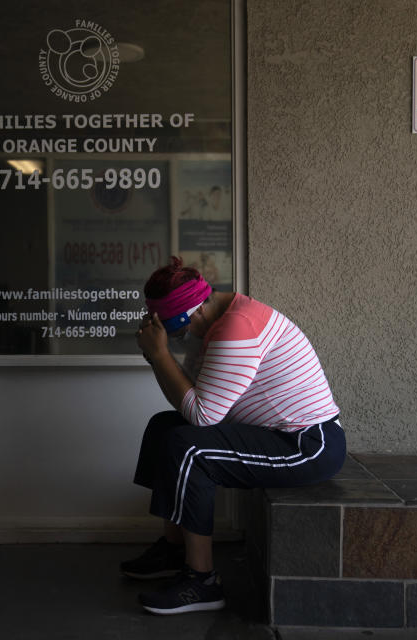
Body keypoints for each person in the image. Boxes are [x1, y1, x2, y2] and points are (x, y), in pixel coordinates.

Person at [122, 257, 345, 615]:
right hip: (275, 433)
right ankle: (173, 548)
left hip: (307, 444)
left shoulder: (237, 328)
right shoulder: (221, 320)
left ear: (189, 316)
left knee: (188, 447)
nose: (181, 340)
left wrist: (159, 354)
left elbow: (202, 414)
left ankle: (202, 582)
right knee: (164, 428)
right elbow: (193, 400)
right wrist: (158, 356)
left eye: (175, 333)